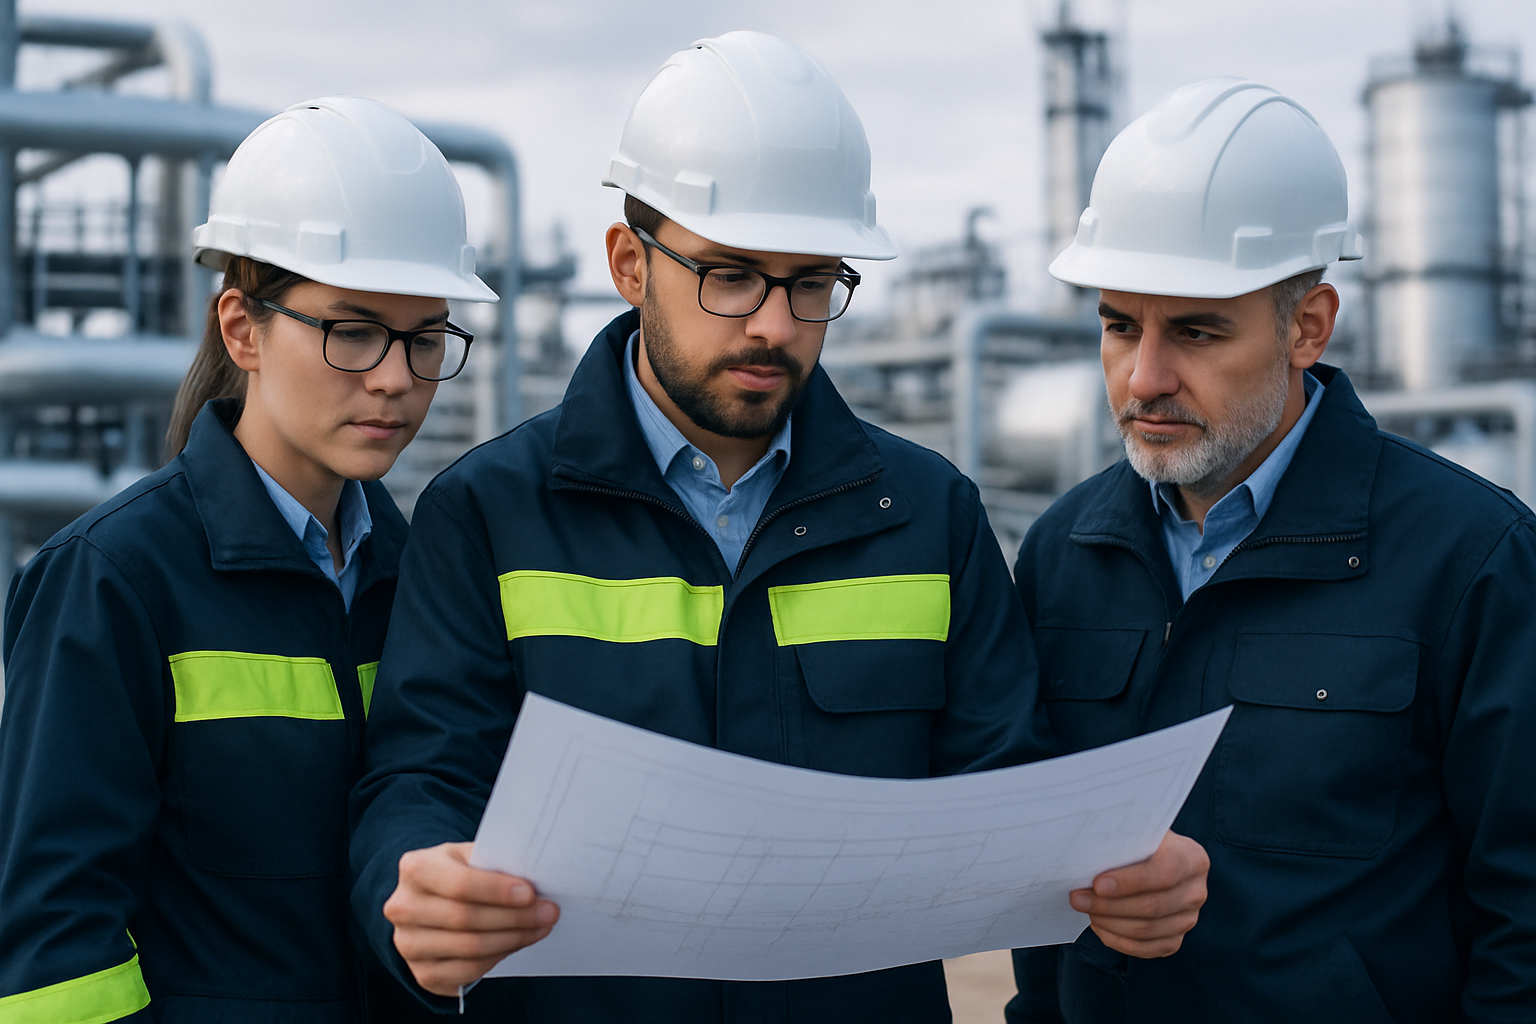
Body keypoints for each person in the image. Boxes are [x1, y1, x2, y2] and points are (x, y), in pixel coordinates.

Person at [350, 32, 1209, 1023]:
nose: (772, 323)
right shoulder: (489, 513)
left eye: (810, 283)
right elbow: (421, 775)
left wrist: (1117, 867)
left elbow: (1003, 793)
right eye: (730, 274)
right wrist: (413, 882)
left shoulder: (930, 516)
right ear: (630, 263)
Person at [1006, 77, 1536, 1024]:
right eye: (1119, 326)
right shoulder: (1063, 555)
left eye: (1198, 331)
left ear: (1308, 325)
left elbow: (1526, 914)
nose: (1146, 377)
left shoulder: (1470, 561)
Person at [0, 97, 497, 1023]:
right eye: (352, 330)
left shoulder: (421, 574)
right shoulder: (114, 580)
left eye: (427, 338)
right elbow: (53, 952)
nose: (396, 377)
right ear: (241, 328)